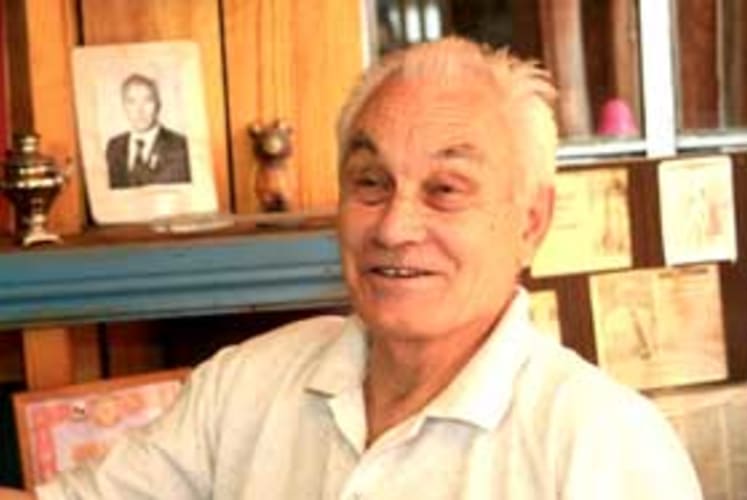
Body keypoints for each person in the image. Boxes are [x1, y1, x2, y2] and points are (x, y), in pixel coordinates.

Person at [0, 37, 702, 499]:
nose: (395, 227)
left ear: (531, 222)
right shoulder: (244, 385)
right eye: (370, 182)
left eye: (445, 189)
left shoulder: (605, 447)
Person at [105, 73, 191, 189]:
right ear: (124, 106)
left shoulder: (180, 146)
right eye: (131, 102)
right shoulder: (114, 147)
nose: (139, 110)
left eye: (147, 101)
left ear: (158, 105)